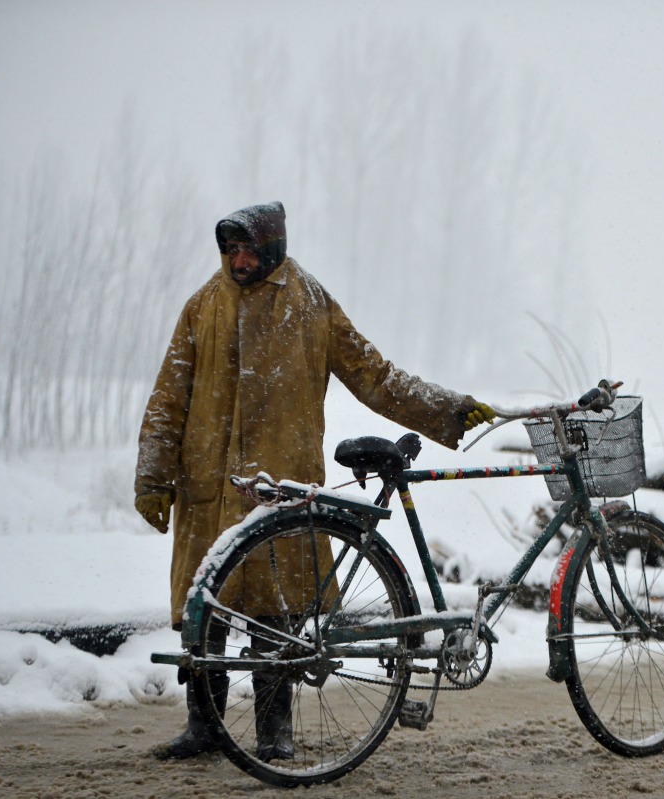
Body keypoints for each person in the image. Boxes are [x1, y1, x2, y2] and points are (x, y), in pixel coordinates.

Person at [134, 201, 494, 760]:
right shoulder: (201, 307)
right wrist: (153, 477)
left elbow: (376, 378)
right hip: (207, 485)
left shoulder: (310, 303)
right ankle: (204, 727)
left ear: (273, 246)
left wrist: (448, 410)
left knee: (275, 618)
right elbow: (167, 399)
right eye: (230, 250)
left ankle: (274, 733)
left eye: (248, 248)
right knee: (206, 614)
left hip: (281, 487)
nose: (238, 260)